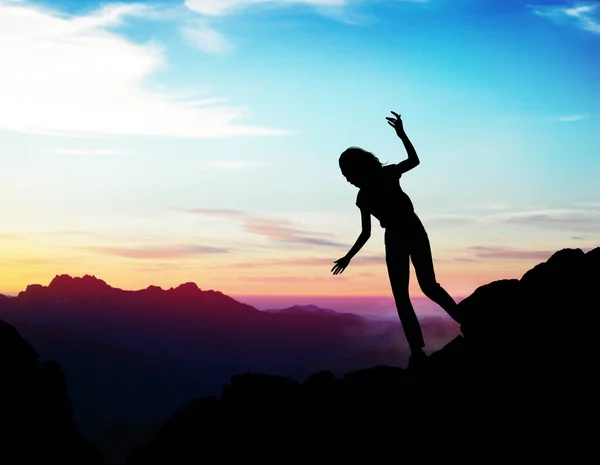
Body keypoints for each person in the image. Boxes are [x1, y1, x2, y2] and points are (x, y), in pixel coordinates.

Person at [331, 111, 463, 369]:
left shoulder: (381, 180)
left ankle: (441, 336)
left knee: (419, 289)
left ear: (356, 169)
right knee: (417, 290)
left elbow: (413, 160)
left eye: (347, 172)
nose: (347, 178)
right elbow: (366, 233)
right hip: (401, 234)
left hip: (405, 231)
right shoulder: (370, 191)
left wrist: (402, 134)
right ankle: (421, 348)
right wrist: (348, 256)